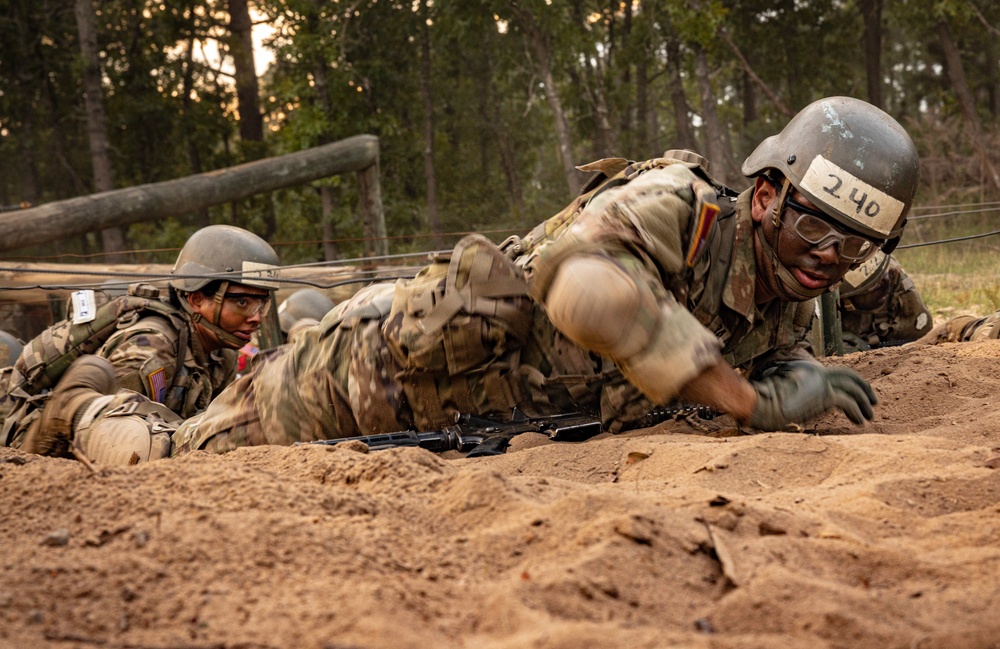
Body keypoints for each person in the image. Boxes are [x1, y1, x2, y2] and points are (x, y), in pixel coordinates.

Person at [25, 96, 922, 462]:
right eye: (815, 228)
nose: (827, 263)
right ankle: (85, 409)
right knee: (172, 462)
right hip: (371, 377)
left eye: (853, 250)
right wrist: (750, 402)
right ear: (765, 194)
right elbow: (583, 289)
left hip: (471, 426)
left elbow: (889, 325)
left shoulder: (782, 297)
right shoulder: (678, 208)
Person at [0, 225, 280, 463]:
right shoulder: (151, 348)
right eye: (242, 302)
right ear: (196, 299)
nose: (256, 318)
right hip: (40, 447)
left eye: (262, 303)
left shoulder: (222, 354)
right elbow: (109, 434)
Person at [838, 252, 933, 352]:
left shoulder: (895, 278)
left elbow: (920, 336)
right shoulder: (832, 290)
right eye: (872, 290)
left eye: (883, 281)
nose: (883, 289)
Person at [914, 311, 1000, 344]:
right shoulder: (987, 333)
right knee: (906, 352)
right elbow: (984, 343)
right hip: (954, 331)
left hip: (970, 325)